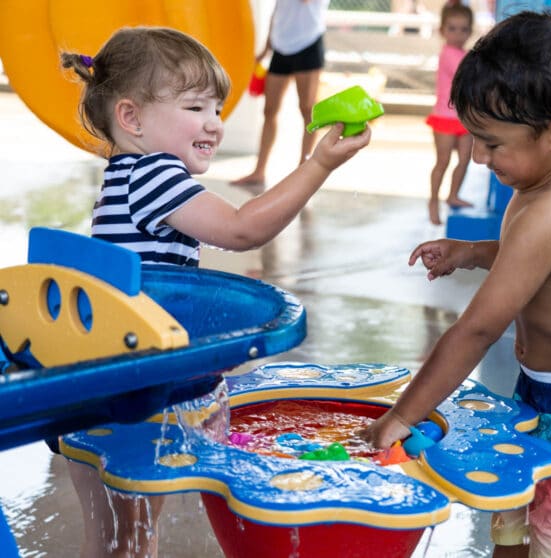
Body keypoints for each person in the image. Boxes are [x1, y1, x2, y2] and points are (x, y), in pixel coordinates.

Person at [61, 25, 369, 557]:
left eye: (218, 109)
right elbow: (243, 229)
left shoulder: (120, 175)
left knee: (111, 538)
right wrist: (319, 164)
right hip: (137, 389)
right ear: (131, 117)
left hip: (96, 379)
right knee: (135, 537)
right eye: (196, 107)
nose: (214, 124)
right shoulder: (154, 173)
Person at [362, 10, 551, 558]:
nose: (477, 156)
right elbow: (526, 260)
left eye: (491, 144)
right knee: (512, 528)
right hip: (543, 392)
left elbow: (476, 331)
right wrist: (470, 252)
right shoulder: (534, 192)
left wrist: (403, 416)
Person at [231, 0, 330, 186]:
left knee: (308, 110)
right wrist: (265, 49)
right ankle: (259, 171)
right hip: (280, 46)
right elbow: (278, 11)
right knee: (269, 110)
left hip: (308, 44)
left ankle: (305, 170)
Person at [425, 0, 474, 225]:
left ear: (470, 31)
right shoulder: (449, 54)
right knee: (443, 161)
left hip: (463, 118)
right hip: (445, 117)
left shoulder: (465, 55)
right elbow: (468, 73)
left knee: (464, 159)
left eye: (464, 29)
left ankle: (453, 194)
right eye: (452, 28)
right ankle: (433, 200)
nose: (458, 34)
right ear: (442, 31)